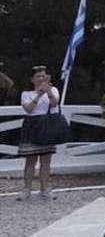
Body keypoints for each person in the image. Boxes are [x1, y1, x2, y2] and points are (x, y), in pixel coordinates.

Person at [17, 66, 63, 201]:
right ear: (32, 79)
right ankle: (27, 189)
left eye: (43, 76)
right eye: (38, 76)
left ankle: (44, 189)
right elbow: (29, 109)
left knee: (46, 161)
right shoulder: (26, 94)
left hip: (47, 125)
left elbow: (55, 104)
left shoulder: (53, 90)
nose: (41, 78)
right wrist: (38, 94)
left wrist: (48, 91)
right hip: (32, 125)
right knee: (30, 160)